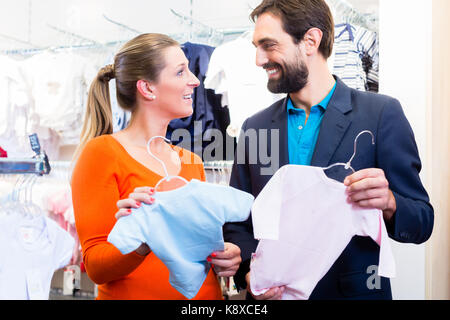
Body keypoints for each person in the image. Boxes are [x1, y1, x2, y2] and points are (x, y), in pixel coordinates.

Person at [222, 0, 434, 300]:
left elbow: (422, 220)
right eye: (257, 46)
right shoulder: (255, 127)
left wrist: (388, 202)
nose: (259, 59)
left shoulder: (380, 114)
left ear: (310, 41)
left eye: (268, 45)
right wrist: (248, 273)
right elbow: (238, 222)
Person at [71, 33, 241, 300]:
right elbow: (95, 267)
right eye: (180, 72)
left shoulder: (192, 162)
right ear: (148, 88)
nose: (195, 81)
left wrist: (225, 255)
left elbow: (193, 251)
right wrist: (142, 239)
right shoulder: (102, 153)